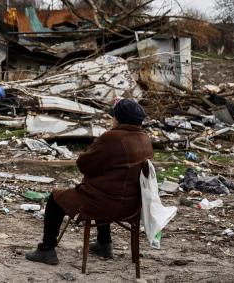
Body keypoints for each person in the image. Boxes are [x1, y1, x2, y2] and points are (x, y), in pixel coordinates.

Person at [25, 98, 153, 265]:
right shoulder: (145, 139)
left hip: (107, 203)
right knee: (103, 187)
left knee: (55, 198)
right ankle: (104, 243)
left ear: (119, 118)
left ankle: (46, 249)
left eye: (114, 116)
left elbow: (84, 164)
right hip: (132, 205)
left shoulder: (113, 138)